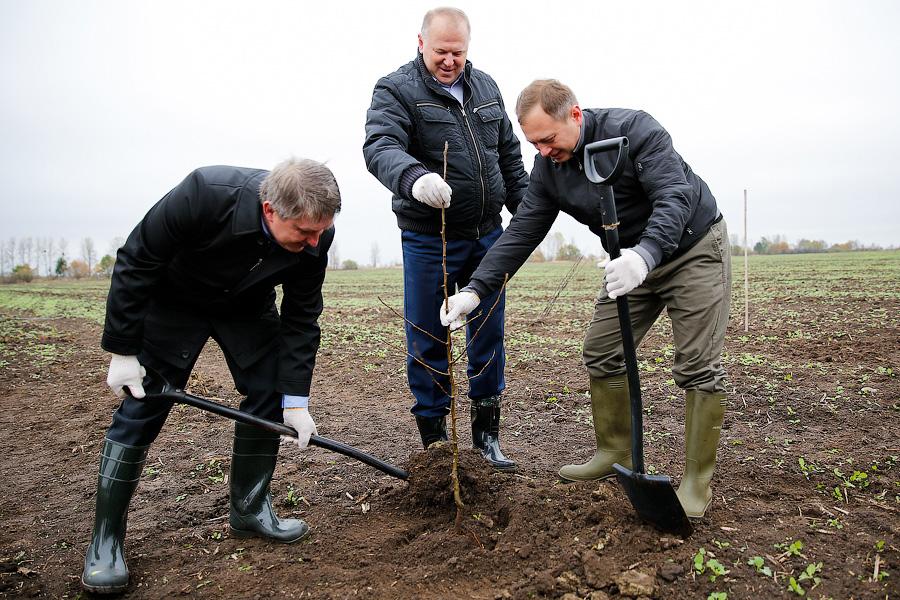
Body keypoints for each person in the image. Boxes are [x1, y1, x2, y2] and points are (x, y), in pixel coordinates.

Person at [441, 79, 731, 518]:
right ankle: (614, 453)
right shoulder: (549, 170)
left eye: (548, 139)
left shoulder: (635, 131)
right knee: (602, 351)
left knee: (696, 365)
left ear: (574, 115)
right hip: (627, 262)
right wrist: (475, 290)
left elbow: (676, 196)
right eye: (533, 142)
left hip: (691, 249)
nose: (542, 151)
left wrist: (645, 256)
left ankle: (695, 484)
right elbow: (521, 232)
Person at [81, 158, 341, 593]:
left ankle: (250, 510)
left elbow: (301, 316)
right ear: (270, 209)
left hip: (246, 308)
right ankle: (105, 542)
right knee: (146, 402)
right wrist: (123, 350)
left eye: (321, 231)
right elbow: (137, 259)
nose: (315, 241)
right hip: (176, 302)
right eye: (305, 233)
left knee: (267, 391)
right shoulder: (204, 193)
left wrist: (295, 400)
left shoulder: (317, 232)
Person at [363, 7, 528, 470]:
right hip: (427, 237)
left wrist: (529, 210)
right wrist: (414, 178)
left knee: (488, 332)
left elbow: (510, 158)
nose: (450, 60)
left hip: (486, 235)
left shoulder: (487, 88)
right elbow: (380, 146)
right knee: (426, 333)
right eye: (441, 51)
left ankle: (487, 435)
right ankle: (435, 442)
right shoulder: (396, 89)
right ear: (421, 43)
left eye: (458, 52)